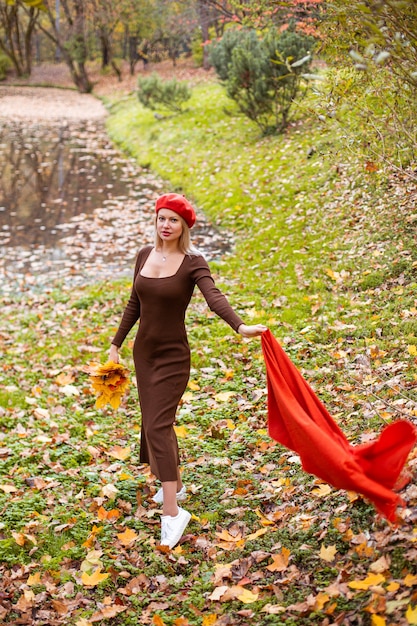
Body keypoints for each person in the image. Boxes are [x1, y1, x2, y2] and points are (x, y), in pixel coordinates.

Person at [109, 193, 266, 549]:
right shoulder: (144, 256)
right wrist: (116, 343)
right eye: (161, 218)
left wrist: (240, 327)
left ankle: (172, 512)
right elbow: (135, 302)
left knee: (158, 425)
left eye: (173, 220)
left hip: (172, 357)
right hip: (143, 355)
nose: (165, 225)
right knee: (151, 423)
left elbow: (214, 298)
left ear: (184, 225)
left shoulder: (193, 262)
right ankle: (174, 483)